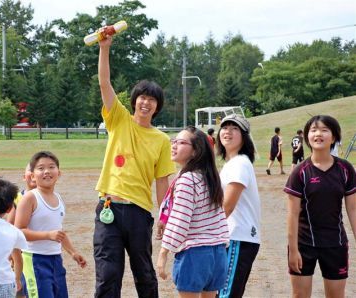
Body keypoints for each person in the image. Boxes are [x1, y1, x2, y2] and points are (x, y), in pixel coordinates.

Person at [94, 32, 176, 297]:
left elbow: (163, 181)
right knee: (108, 275)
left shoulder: (162, 139)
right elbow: (104, 83)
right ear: (134, 100)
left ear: (157, 107)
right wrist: (104, 48)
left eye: (151, 100)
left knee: (144, 273)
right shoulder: (118, 119)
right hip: (109, 208)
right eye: (142, 97)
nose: (145, 102)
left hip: (139, 213)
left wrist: (164, 216)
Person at [284, 115, 356, 298]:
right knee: (300, 295)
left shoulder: (346, 169)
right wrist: (293, 250)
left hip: (335, 244)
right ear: (307, 136)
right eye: (314, 130)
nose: (318, 134)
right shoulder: (299, 172)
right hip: (304, 245)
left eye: (324, 130)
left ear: (333, 137)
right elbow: (292, 215)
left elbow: (353, 210)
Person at [156, 126, 229, 298]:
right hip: (217, 254)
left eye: (181, 143)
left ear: (195, 152)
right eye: (174, 141)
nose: (174, 145)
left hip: (195, 255)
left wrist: (163, 252)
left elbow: (180, 221)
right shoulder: (208, 176)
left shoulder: (188, 180)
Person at [15, 151, 87, 298]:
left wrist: (73, 252)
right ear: (33, 175)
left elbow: (59, 232)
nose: (47, 171)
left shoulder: (58, 198)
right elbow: (18, 232)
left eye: (51, 167)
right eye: (41, 168)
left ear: (59, 173)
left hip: (55, 260)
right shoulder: (30, 198)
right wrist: (48, 235)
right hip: (34, 260)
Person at [216, 114, 261, 298]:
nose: (228, 131)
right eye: (225, 127)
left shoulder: (240, 163)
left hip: (238, 237)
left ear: (244, 136)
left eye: (234, 128)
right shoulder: (231, 164)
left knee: (226, 294)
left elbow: (227, 206)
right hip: (231, 237)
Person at [7, 163, 37, 298]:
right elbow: (10, 225)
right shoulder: (17, 198)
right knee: (21, 288)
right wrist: (11, 252)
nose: (32, 173)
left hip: (39, 251)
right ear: (24, 176)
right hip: (22, 252)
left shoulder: (48, 197)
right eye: (30, 170)